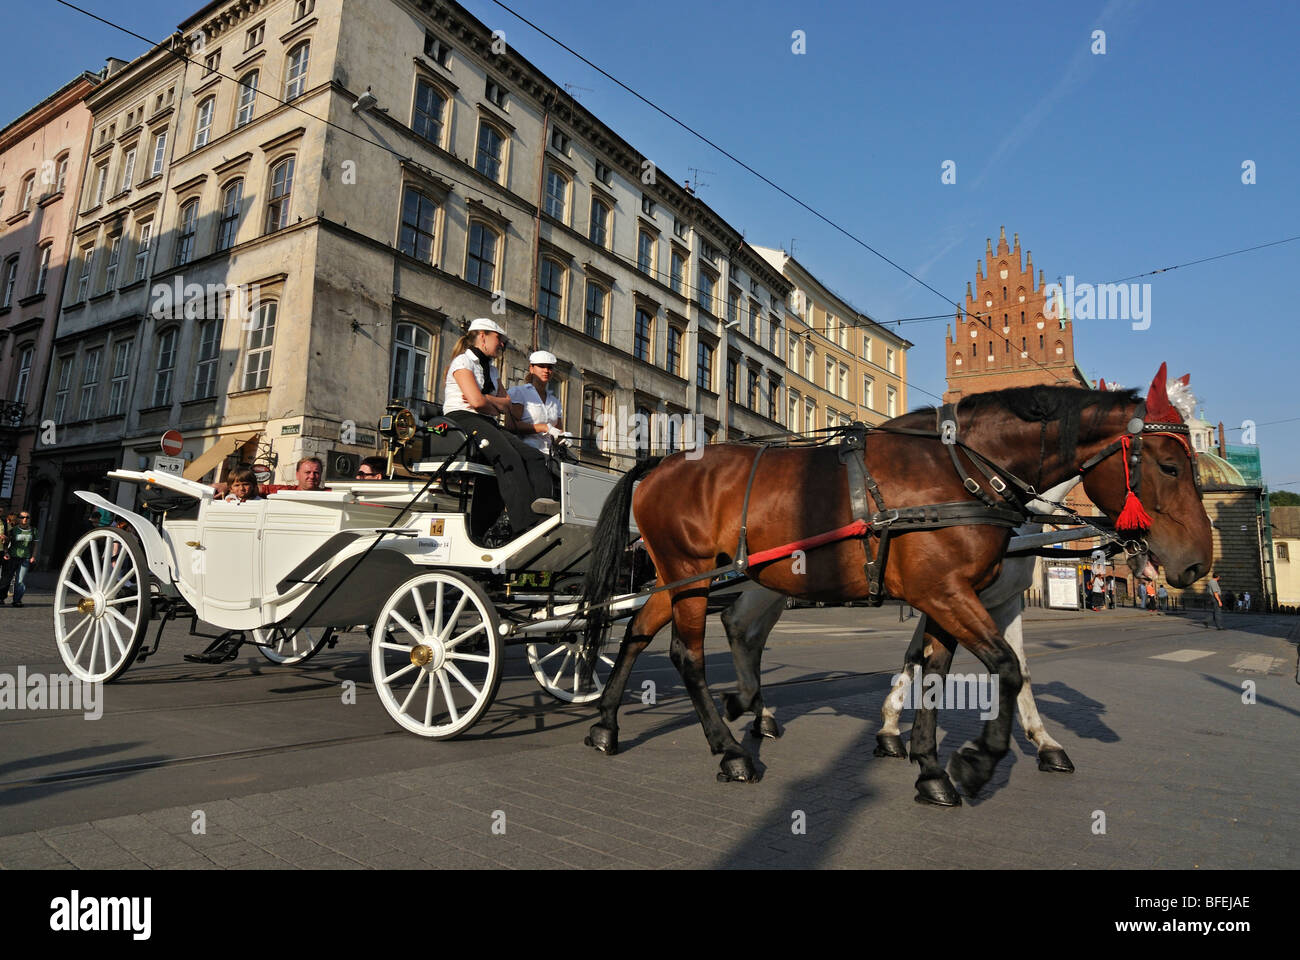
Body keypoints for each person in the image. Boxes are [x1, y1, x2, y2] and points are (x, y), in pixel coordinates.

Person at [442, 318, 557, 535]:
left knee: (533, 456)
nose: (502, 344)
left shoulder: (492, 371)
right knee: (508, 457)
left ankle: (544, 513)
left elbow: (508, 406)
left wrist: (488, 401)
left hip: (486, 421)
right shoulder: (462, 363)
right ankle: (525, 524)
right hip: (463, 418)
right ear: (483, 336)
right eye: (499, 339)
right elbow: (476, 404)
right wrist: (492, 403)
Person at [507, 350, 572, 455]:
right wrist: (544, 427)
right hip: (525, 451)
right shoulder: (519, 392)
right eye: (541, 366)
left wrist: (564, 438)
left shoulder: (555, 402)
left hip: (550, 454)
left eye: (550, 367)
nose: (546, 370)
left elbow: (558, 431)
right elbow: (511, 425)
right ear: (531, 369)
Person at [0, 510, 39, 607]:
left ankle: (17, 600)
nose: (24, 519)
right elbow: (6, 542)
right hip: (12, 557)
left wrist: (33, 556)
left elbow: (35, 544)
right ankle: (1, 598)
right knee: (6, 579)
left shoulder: (33, 530)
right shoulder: (13, 530)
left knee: (20, 581)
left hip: (25, 558)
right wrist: (6, 552)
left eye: (27, 517)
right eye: (22, 517)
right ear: (18, 519)